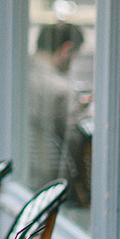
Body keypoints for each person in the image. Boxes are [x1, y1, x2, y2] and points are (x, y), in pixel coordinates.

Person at [27, 20, 90, 200]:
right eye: (75, 56)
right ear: (66, 50)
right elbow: (73, 144)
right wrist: (80, 112)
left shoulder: (16, 72)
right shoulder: (59, 89)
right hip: (47, 182)